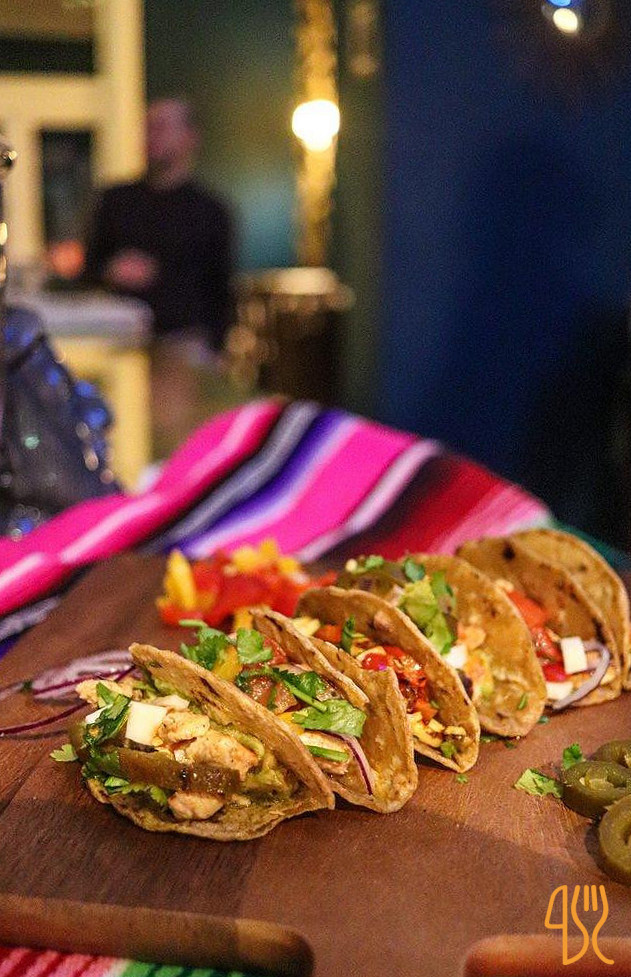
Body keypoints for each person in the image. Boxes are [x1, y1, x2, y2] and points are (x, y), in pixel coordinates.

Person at [84, 97, 235, 456]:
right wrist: (110, 271)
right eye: (148, 126)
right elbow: (86, 273)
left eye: (163, 126)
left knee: (176, 443)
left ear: (190, 137)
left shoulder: (211, 211)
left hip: (184, 346)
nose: (153, 135)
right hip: (118, 348)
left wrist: (217, 351)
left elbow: (221, 289)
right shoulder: (116, 201)